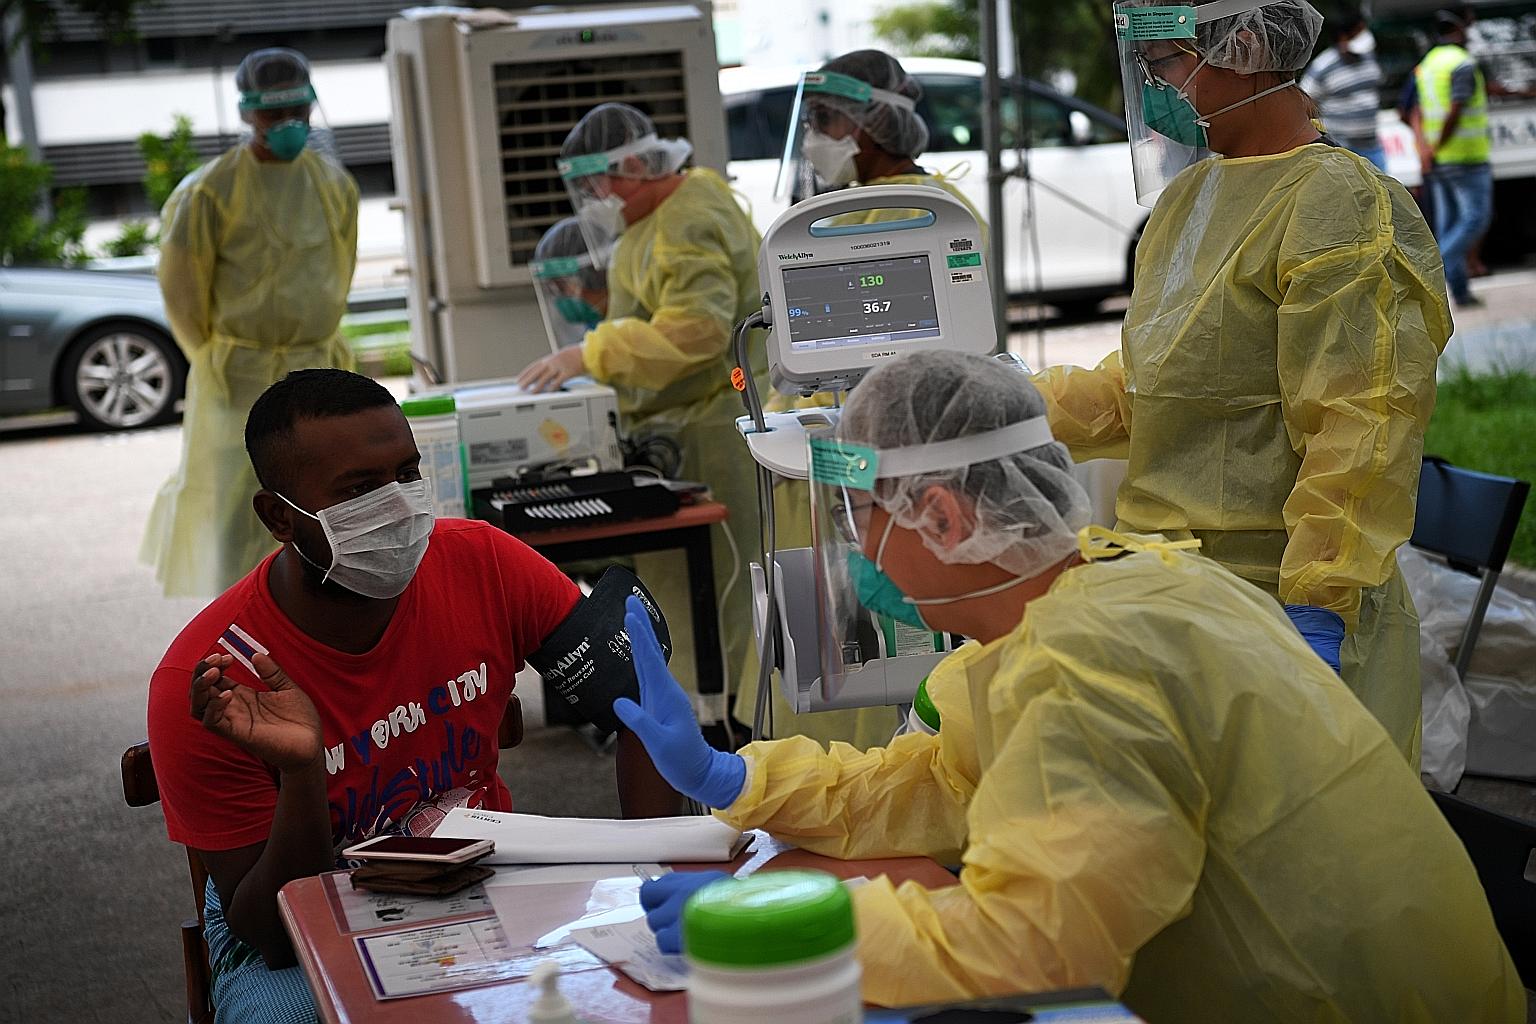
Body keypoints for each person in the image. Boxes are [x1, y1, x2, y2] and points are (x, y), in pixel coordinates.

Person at [614, 350, 1521, 1021]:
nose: (856, 553)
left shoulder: (1089, 666)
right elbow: (949, 776)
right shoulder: (1109, 584)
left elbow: (1036, 945)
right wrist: (740, 781)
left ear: (943, 514)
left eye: (860, 518)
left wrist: (794, 929)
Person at [147, 369, 677, 1024]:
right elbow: (271, 933)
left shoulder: (482, 563)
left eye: (407, 472)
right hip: (295, 910)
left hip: (482, 874)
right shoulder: (210, 683)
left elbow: (640, 702)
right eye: (361, 490)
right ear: (279, 516)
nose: (399, 506)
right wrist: (301, 774)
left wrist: (657, 875)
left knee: (639, 984)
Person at [1035, 0, 1450, 764]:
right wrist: (1003, 408)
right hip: (1178, 596)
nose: (1156, 90)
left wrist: (1319, 604)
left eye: (1163, 66)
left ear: (1246, 45)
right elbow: (1151, 388)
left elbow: (1362, 423)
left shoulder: (1338, 203)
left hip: (1285, 605)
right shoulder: (1189, 200)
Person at [740, 49, 992, 750]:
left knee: (895, 649)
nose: (815, 136)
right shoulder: (837, 214)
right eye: (814, 119)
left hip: (897, 474)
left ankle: (890, 774)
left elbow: (939, 370)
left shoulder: (935, 216)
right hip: (830, 464)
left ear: (872, 125)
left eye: (826, 120)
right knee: (825, 641)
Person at [514, 104, 766, 736]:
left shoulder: (690, 218)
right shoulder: (662, 218)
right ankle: (697, 717)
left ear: (631, 165)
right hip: (684, 421)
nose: (597, 198)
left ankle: (723, 726)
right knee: (683, 595)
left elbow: (699, 330)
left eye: (601, 182)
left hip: (709, 427)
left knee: (720, 599)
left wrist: (591, 352)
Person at [141, 48, 360, 597]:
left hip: (318, 367)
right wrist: (227, 360)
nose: (288, 124)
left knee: (326, 505)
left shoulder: (334, 185)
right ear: (246, 113)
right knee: (237, 514)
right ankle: (238, 642)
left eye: (297, 110)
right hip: (236, 376)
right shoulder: (207, 193)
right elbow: (183, 295)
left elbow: (341, 270)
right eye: (272, 112)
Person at [781, 49, 987, 238]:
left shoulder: (911, 209)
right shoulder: (935, 202)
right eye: (810, 120)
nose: (812, 137)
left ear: (875, 119)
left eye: (823, 118)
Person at [1415, 8, 1496, 308]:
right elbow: (1456, 109)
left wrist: (1428, 148)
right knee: (1475, 219)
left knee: (1449, 225)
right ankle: (1433, 269)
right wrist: (1437, 145)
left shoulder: (1428, 64)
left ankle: (1460, 293)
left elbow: (1420, 110)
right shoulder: (1462, 64)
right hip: (1466, 157)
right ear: (1460, 30)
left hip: (1442, 160)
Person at [1300, 7, 1386, 168]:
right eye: (1357, 32)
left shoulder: (1369, 58)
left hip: (1373, 145)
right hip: (1342, 149)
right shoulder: (1323, 67)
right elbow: (1305, 105)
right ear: (1342, 37)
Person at [530, 215, 609, 353]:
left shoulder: (637, 327)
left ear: (597, 274)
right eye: (552, 289)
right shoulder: (593, 329)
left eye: (561, 287)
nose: (561, 298)